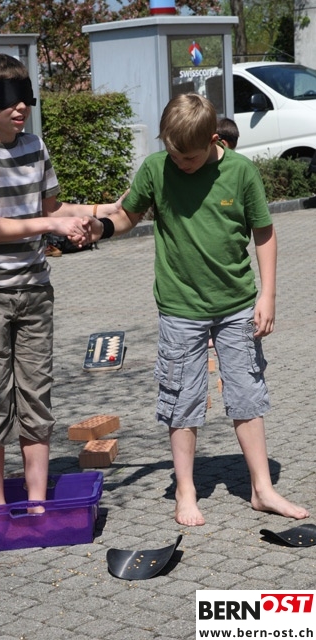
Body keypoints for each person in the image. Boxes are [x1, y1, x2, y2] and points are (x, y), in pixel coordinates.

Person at [88, 93, 310, 526]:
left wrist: (268, 295)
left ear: (212, 139)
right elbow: (128, 216)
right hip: (180, 307)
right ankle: (186, 490)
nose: (180, 163)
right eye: (173, 153)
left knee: (247, 394)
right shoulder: (156, 168)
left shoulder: (241, 172)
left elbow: (263, 233)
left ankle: (262, 489)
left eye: (188, 157)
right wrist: (101, 227)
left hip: (236, 305)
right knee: (181, 399)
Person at [0, 53, 119, 508]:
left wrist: (104, 211)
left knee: (36, 396)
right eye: (8, 98)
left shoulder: (35, 146)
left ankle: (38, 502)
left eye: (25, 95)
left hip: (34, 292)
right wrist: (50, 226)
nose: (20, 106)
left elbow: (52, 209)